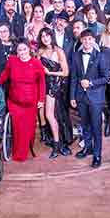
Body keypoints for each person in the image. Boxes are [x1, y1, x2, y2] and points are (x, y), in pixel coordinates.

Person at [70, 29, 110, 168]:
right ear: (81, 40)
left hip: (95, 98)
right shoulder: (75, 56)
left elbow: (106, 78)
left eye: (89, 39)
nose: (87, 42)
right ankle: (88, 148)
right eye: (84, 39)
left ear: (94, 40)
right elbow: (74, 77)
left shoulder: (101, 56)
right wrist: (72, 96)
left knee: (96, 127)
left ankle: (97, 154)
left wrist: (91, 83)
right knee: (85, 125)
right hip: (81, 97)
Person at [0, 41, 46, 162]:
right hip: (15, 102)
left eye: (24, 49)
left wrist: (41, 99)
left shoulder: (36, 63)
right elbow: (5, 75)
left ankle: (26, 148)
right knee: (18, 129)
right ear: (17, 52)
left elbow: (41, 82)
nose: (22, 52)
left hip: (31, 102)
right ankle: (18, 153)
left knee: (27, 130)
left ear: (29, 49)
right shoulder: (12, 61)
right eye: (20, 50)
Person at [36, 26, 71, 156]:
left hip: (54, 85)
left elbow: (66, 72)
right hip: (43, 84)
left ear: (52, 36)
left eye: (47, 36)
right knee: (45, 114)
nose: (45, 39)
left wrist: (50, 72)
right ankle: (52, 138)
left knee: (50, 115)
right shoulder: (39, 52)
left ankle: (57, 145)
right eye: (43, 36)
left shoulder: (59, 51)